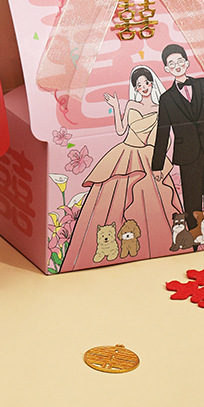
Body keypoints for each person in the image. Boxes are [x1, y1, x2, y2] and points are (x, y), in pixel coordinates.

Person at [61, 65, 182, 271]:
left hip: (148, 156)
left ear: (152, 83)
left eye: (146, 83)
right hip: (125, 154)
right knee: (112, 200)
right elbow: (120, 130)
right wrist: (116, 107)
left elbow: (164, 137)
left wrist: (159, 158)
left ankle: (158, 243)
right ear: (135, 88)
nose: (143, 87)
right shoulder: (132, 105)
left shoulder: (160, 107)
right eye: (139, 85)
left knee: (152, 200)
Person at [152, 43, 204, 230]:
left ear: (187, 62)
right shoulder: (166, 99)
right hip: (187, 154)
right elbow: (163, 131)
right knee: (192, 195)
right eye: (171, 63)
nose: (177, 66)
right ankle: (194, 234)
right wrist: (157, 165)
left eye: (180, 61)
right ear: (166, 68)